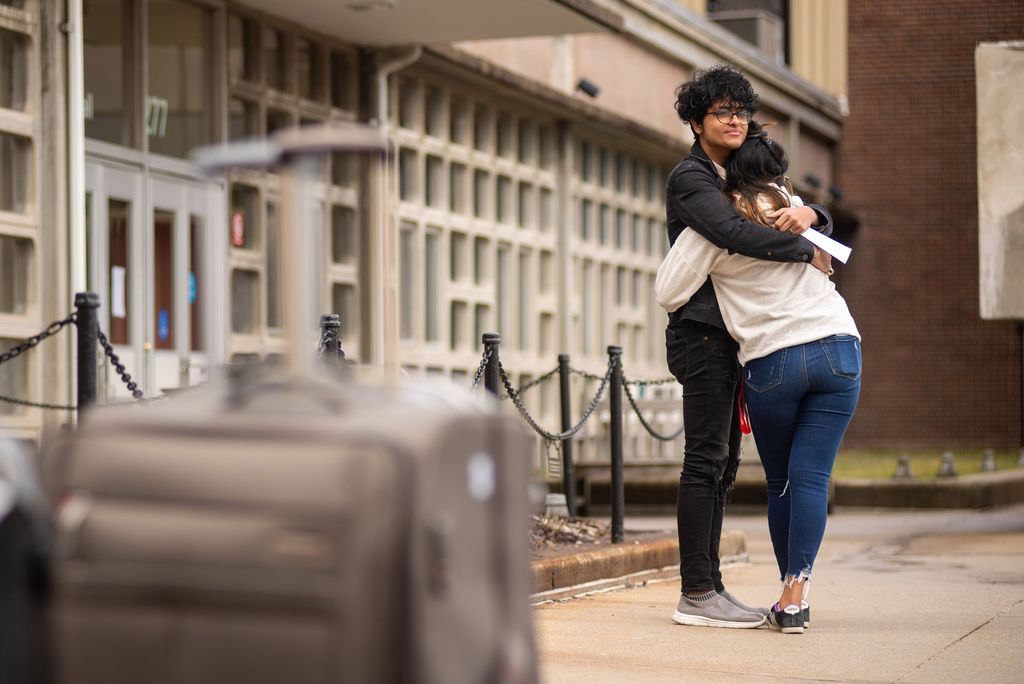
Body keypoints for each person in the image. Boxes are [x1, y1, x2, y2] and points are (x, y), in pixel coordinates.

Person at [656, 122, 861, 635]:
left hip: (773, 357)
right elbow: (830, 257)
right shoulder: (790, 208)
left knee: (780, 481)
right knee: (811, 477)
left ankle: (719, 591)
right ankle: (793, 596)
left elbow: (669, 287)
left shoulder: (717, 223)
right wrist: (809, 219)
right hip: (840, 345)